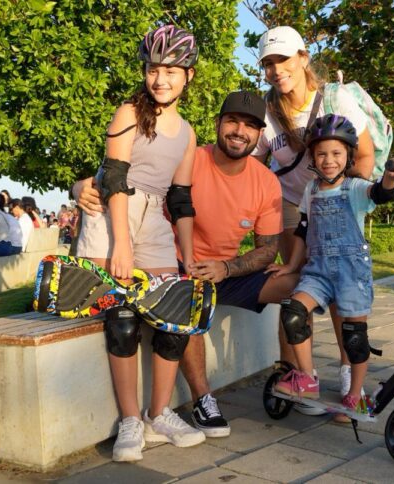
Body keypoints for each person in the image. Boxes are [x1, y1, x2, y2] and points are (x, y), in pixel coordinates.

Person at [75, 90, 304, 437]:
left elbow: (266, 249)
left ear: (259, 136)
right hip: (180, 266)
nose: (240, 131)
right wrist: (77, 186)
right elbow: (126, 176)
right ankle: (202, 398)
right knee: (188, 295)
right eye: (233, 121)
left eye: (250, 126)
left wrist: (226, 269)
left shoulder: (266, 181)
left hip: (226, 271)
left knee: (300, 287)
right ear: (218, 124)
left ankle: (294, 376)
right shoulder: (190, 156)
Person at [71, 24, 204, 462]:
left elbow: (180, 199)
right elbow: (113, 178)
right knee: (123, 316)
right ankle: (131, 421)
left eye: (171, 70)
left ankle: (158, 413)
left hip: (156, 222)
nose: (160, 79)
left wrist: (186, 256)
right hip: (115, 215)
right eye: (153, 69)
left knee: (173, 319)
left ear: (189, 74)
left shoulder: (187, 133)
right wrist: (121, 247)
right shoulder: (128, 112)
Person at [253, 26, 378, 396]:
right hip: (292, 203)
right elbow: (255, 167)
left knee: (342, 296)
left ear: (303, 58)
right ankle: (296, 375)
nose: (277, 70)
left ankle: (347, 375)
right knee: (296, 289)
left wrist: (346, 196)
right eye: (269, 63)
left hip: (339, 198)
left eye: (284, 60)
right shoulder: (266, 111)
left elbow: (366, 154)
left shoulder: (335, 101)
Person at [266, 114, 394, 417]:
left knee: (354, 338)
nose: (328, 160)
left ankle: (354, 395)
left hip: (350, 273)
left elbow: (380, 193)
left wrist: (392, 178)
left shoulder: (355, 188)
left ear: (349, 156)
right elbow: (303, 230)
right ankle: (306, 379)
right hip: (317, 271)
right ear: (312, 157)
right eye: (321, 153)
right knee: (293, 314)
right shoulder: (311, 190)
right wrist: (291, 266)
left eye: (336, 153)